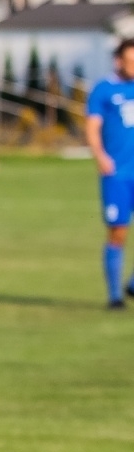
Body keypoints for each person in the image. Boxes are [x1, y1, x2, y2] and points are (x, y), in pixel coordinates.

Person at [86, 38, 134, 309]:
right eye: (130, 62)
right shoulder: (104, 90)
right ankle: (115, 296)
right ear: (118, 61)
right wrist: (100, 156)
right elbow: (92, 127)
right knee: (118, 232)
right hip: (117, 174)